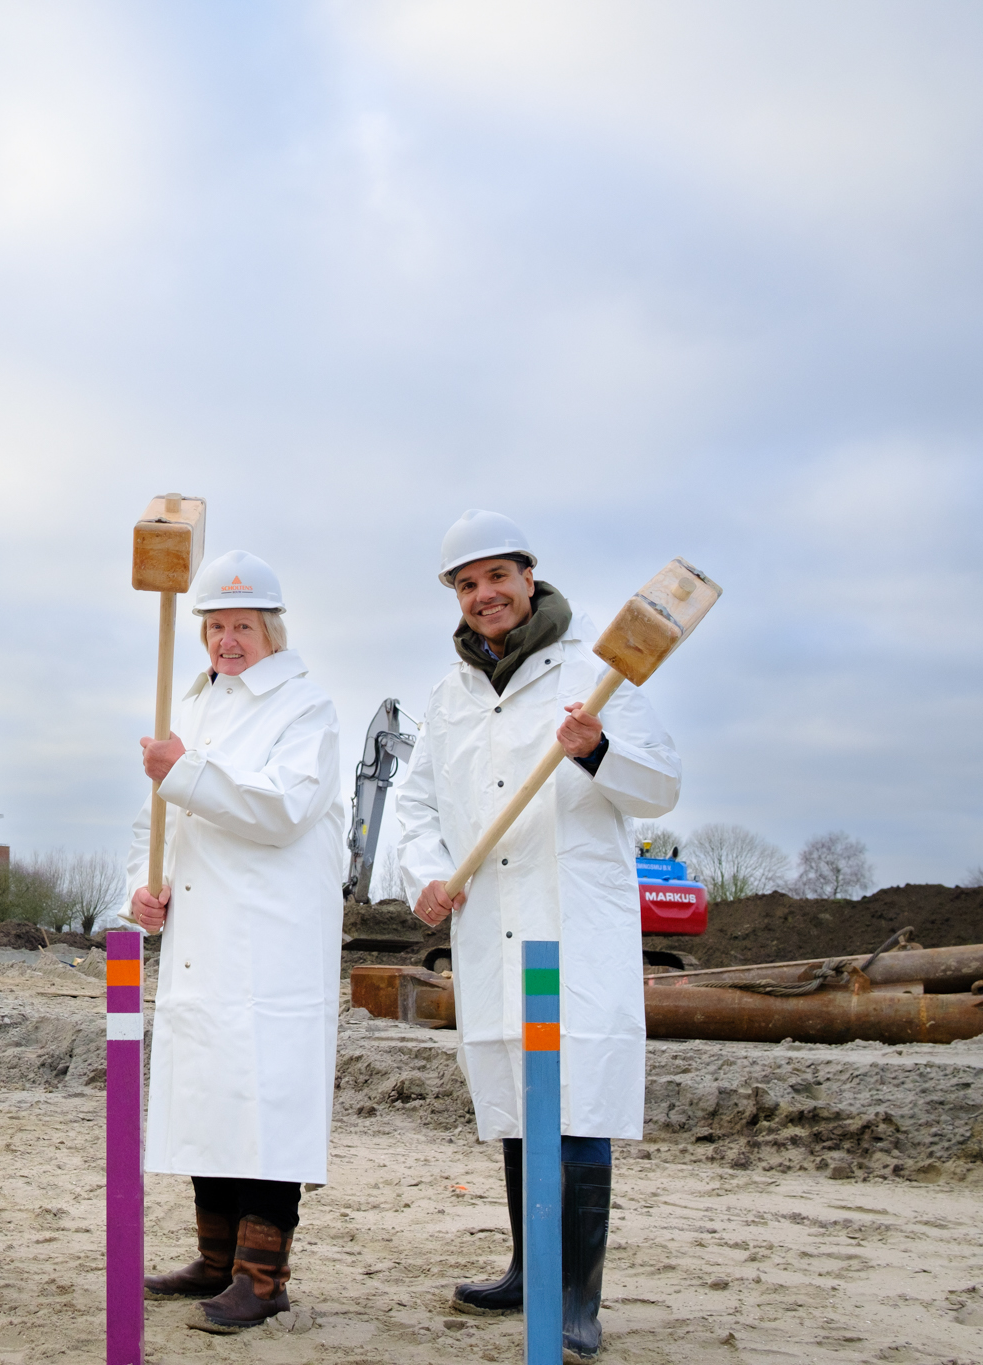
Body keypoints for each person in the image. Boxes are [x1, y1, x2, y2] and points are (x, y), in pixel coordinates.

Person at [392, 509, 681, 1362]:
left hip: (570, 919)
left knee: (576, 1096)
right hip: (492, 923)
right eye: (466, 583)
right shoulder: (448, 694)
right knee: (521, 1097)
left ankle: (575, 1297)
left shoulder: (600, 669)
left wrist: (597, 751)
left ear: (527, 575)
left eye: (497, 576)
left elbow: (662, 784)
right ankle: (528, 1268)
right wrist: (427, 875)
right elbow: (413, 807)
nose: (485, 595)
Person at [127, 549, 346, 1333]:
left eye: (241, 625)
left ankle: (264, 1274)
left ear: (272, 630)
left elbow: (281, 810)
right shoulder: (194, 703)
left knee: (263, 1105)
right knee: (209, 1097)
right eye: (215, 625)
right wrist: (142, 887)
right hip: (200, 940)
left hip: (271, 945)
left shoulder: (306, 708)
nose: (226, 640)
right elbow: (161, 820)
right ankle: (215, 1259)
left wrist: (185, 770)